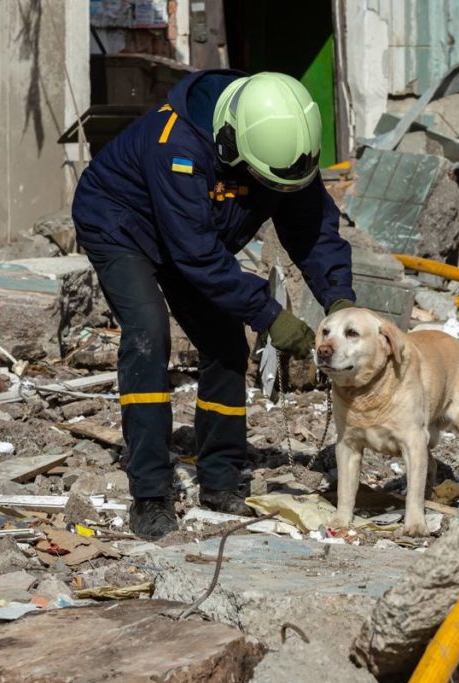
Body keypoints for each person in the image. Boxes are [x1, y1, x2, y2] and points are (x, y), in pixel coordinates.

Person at [71, 70, 355, 541]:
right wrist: (270, 316)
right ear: (230, 146)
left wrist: (339, 298)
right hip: (121, 225)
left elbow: (311, 229)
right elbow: (196, 256)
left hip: (194, 235)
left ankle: (220, 481)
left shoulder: (280, 144)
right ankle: (151, 493)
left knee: (224, 342)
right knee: (148, 334)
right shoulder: (177, 146)